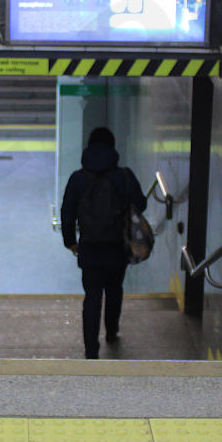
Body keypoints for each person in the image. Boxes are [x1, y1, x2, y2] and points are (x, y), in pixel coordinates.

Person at [60, 127, 147, 359]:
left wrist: (71, 242)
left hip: (89, 246)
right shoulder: (124, 176)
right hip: (118, 245)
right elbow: (141, 204)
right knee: (115, 289)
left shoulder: (77, 178)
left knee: (92, 296)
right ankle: (111, 332)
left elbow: (67, 213)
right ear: (113, 148)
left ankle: (91, 349)